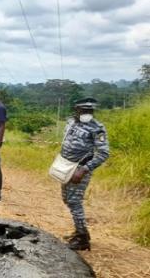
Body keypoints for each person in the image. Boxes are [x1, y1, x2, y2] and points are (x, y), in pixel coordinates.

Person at [58, 98, 109, 251]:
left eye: (90, 110)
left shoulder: (97, 128)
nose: (87, 113)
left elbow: (103, 153)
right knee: (67, 199)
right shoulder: (72, 122)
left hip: (80, 169)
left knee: (74, 201)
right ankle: (78, 230)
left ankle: (82, 238)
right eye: (83, 110)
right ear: (77, 110)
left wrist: (83, 170)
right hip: (66, 166)